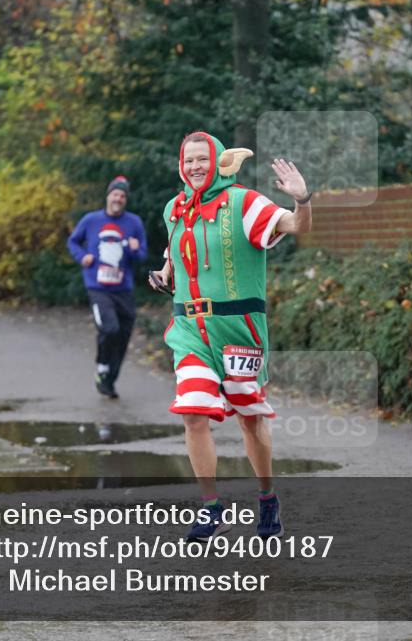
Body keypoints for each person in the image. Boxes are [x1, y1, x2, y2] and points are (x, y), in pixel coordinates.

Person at [149, 132, 312, 541]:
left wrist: (302, 200)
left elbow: (295, 227)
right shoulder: (174, 209)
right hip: (190, 330)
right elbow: (175, 252)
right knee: (192, 412)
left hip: (240, 330)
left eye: (203, 159)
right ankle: (210, 507)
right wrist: (166, 275)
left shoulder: (245, 202)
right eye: (189, 161)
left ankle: (268, 496)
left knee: (249, 419)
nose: (195, 167)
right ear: (180, 166)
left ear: (220, 161)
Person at [68, 175, 148, 399]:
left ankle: (109, 380)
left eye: (122, 196)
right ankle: (102, 366)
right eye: (115, 194)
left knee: (123, 334)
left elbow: (142, 255)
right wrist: (82, 256)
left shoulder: (134, 223)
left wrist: (134, 249)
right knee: (109, 328)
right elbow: (73, 241)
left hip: (123, 288)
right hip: (98, 285)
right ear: (108, 196)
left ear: (125, 200)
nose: (119, 198)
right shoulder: (91, 220)